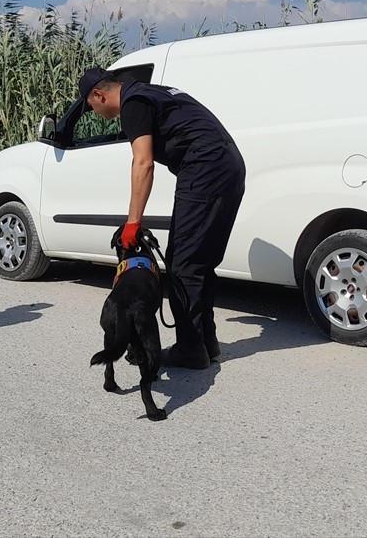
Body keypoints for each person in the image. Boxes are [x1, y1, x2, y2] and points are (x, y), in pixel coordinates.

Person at [78, 68, 246, 370]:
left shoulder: (133, 104)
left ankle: (190, 350)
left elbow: (143, 163)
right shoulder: (152, 92)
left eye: (91, 106)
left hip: (204, 168)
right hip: (230, 166)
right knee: (201, 261)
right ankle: (206, 343)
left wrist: (132, 223)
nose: (94, 112)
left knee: (183, 264)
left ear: (98, 95)